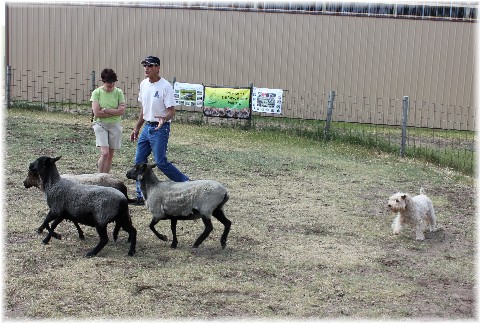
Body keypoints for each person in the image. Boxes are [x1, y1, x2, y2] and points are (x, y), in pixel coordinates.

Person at [130, 56, 189, 205]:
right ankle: (141, 196)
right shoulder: (144, 84)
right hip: (146, 128)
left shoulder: (165, 86)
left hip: (160, 128)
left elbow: (171, 110)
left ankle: (187, 185)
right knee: (139, 161)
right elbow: (144, 108)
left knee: (161, 162)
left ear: (158, 68)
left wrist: (163, 118)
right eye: (145, 65)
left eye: (150, 65)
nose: (146, 68)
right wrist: (137, 127)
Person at [90, 68, 126, 173]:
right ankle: (99, 177)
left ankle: (106, 176)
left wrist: (107, 110)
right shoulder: (97, 93)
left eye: (113, 83)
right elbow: (97, 113)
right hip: (101, 124)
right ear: (103, 81)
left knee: (110, 155)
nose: (111, 85)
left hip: (115, 124)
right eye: (108, 83)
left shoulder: (119, 92)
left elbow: (122, 111)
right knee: (105, 153)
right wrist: (115, 111)